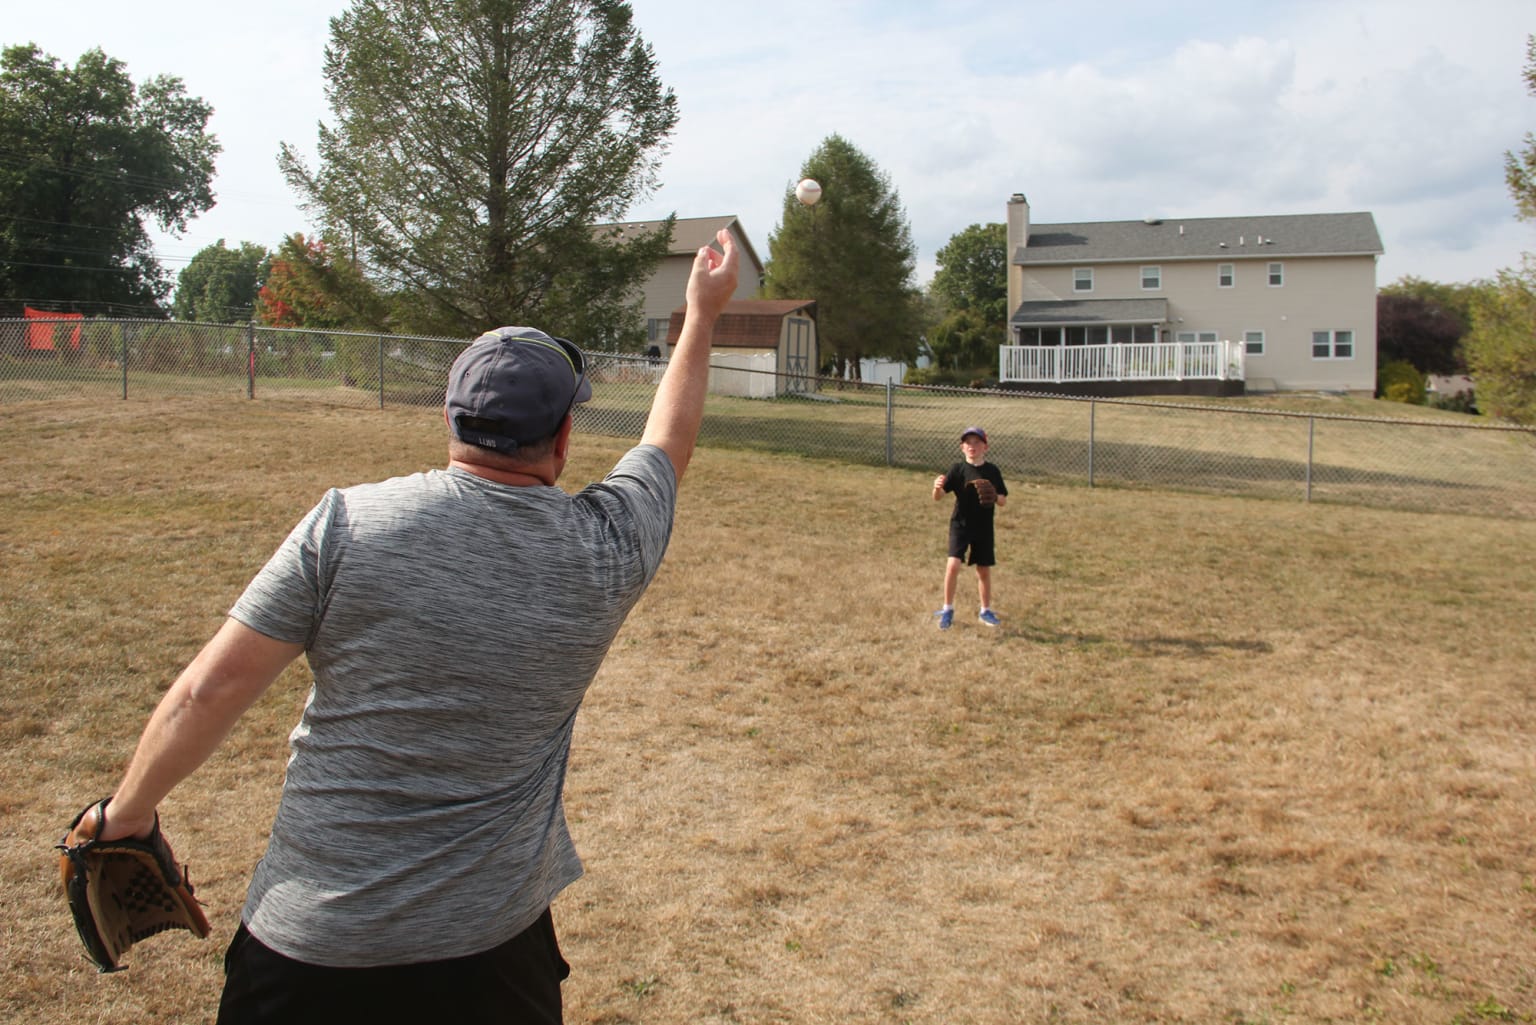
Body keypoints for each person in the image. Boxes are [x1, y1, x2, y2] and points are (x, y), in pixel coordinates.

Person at [62, 230, 741, 1023]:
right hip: (493, 963)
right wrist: (700, 314)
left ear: (450, 420)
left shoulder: (346, 523)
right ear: (562, 440)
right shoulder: (608, 545)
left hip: (311, 951)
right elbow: (667, 440)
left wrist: (128, 811)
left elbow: (210, 689)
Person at [932, 426, 1008, 629]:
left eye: (976, 442)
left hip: (983, 526)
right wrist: (937, 487)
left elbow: (1003, 500)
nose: (972, 446)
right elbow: (938, 497)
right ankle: (947, 609)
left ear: (985, 447)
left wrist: (994, 495)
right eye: (968, 443)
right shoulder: (957, 470)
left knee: (983, 570)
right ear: (962, 447)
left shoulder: (992, 471)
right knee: (953, 565)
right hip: (961, 524)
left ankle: (985, 611)